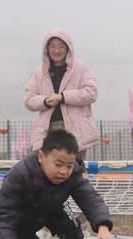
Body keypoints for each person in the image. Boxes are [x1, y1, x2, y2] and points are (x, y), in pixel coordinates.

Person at [0, 129, 118, 239]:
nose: (64, 171)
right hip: (24, 215)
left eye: (69, 166)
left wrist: (103, 226)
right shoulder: (20, 175)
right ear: (41, 157)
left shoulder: (74, 175)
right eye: (58, 165)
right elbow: (5, 213)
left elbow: (90, 198)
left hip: (56, 207)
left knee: (72, 225)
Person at [25, 29, 99, 159]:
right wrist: (45, 101)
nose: (57, 50)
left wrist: (63, 97)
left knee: (75, 170)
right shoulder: (39, 73)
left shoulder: (81, 68)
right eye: (52, 46)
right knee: (47, 172)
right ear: (46, 49)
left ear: (68, 48)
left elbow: (91, 93)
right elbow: (29, 100)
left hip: (75, 132)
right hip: (48, 131)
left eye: (61, 46)